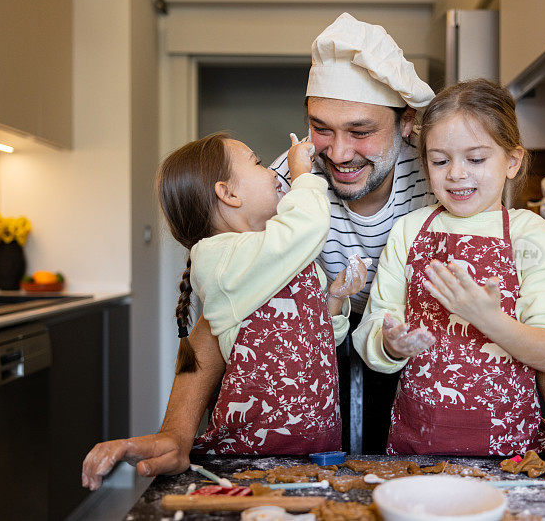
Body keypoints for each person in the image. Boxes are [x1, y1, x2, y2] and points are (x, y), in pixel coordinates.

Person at [81, 13, 545, 490]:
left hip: (424, 399)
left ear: (405, 129)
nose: (339, 152)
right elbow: (219, 309)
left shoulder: (443, 186)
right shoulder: (285, 191)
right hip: (310, 392)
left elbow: (539, 323)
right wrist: (177, 432)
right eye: (320, 129)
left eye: (361, 130)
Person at [81, 132, 368, 488]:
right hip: (246, 457)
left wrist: (336, 299)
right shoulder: (221, 258)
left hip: (316, 447)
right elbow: (306, 227)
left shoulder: (287, 256)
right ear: (228, 194)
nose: (272, 171)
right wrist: (302, 176)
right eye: (258, 163)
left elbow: (319, 339)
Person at [352, 78, 545, 455]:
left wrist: (487, 318)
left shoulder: (530, 234)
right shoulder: (410, 230)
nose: (456, 173)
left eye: (475, 159)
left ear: (512, 161)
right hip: (418, 449)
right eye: (440, 160)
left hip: (512, 454)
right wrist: (390, 344)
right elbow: (373, 329)